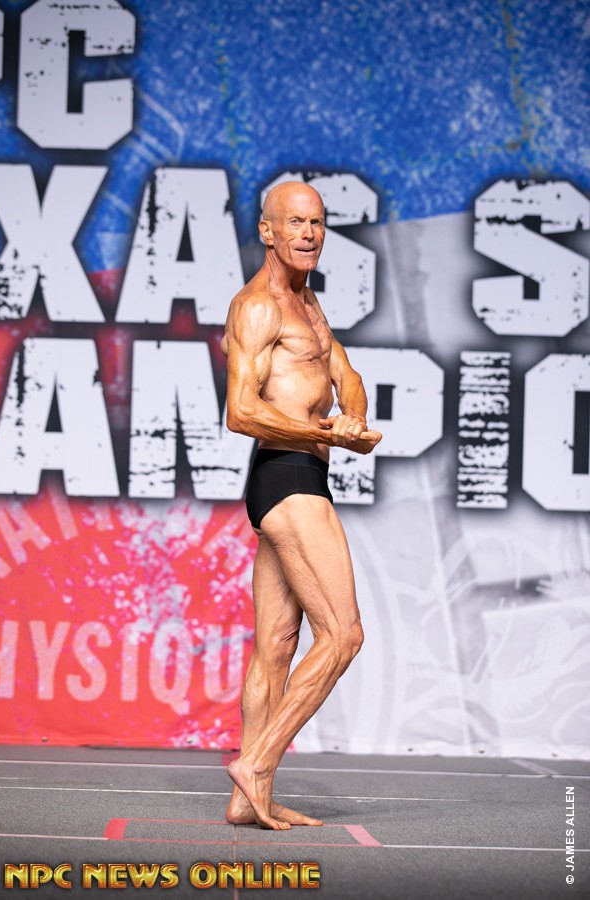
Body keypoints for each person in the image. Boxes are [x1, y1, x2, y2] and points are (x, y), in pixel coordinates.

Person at [221, 180, 382, 830]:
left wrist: (354, 418)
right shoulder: (258, 307)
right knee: (343, 634)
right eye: (294, 222)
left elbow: (346, 376)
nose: (309, 234)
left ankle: (245, 802)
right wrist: (327, 434)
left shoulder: (308, 304)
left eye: (316, 223)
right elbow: (241, 411)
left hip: (299, 474)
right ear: (267, 231)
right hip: (287, 477)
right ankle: (256, 765)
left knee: (276, 647)